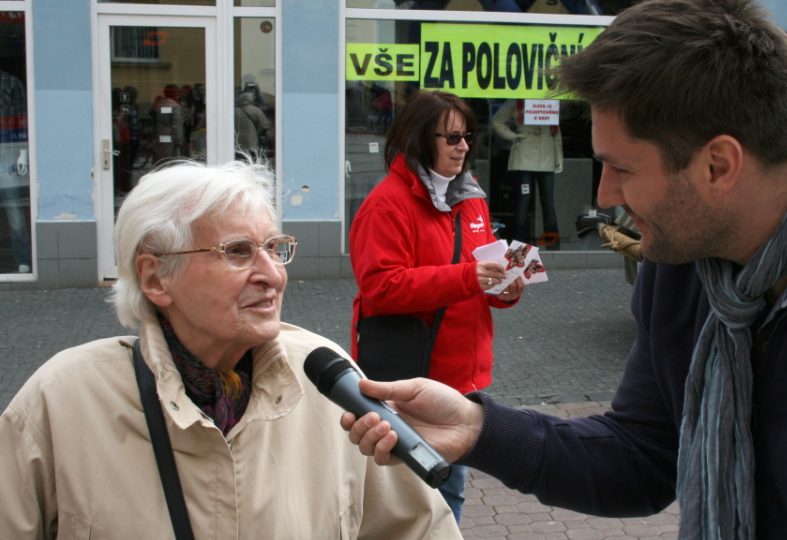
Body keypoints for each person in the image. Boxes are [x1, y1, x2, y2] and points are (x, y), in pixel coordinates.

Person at [342, 0, 787, 537]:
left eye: (624, 169)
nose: (606, 192)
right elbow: (641, 456)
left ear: (719, 166)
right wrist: (480, 427)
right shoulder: (685, 252)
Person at [0, 159, 460, 538]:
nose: (273, 275)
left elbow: (421, 528)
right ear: (156, 277)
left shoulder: (326, 380)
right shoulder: (61, 402)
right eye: (238, 252)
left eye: (274, 248)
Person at [348, 90, 525, 522]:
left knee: (450, 490)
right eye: (451, 137)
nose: (463, 146)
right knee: (411, 495)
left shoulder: (471, 195)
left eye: (467, 136)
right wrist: (468, 278)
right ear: (420, 139)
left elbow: (483, 266)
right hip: (410, 374)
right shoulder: (386, 204)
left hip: (462, 373)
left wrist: (506, 288)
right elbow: (381, 288)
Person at [492, 98, 563, 248]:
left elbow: (555, 129)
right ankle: (520, 244)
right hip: (526, 151)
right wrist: (513, 136)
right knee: (524, 202)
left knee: (548, 203)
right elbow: (497, 121)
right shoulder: (518, 99)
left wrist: (558, 156)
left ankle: (551, 244)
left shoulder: (548, 100)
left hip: (546, 153)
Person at [0, 68, 30, 273]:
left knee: (13, 209)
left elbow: (23, 120)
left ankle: (23, 258)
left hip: (6, 152)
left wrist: (23, 153)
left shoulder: (11, 82)